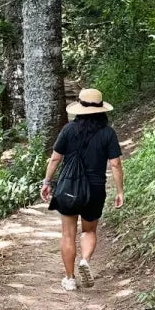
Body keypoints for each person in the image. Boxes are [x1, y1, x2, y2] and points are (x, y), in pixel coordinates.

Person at [40, 88, 124, 292]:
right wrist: (120, 191)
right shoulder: (108, 133)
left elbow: (55, 158)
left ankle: (69, 279)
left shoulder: (69, 130)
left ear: (79, 108)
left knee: (68, 234)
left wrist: (47, 181)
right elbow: (115, 164)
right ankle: (85, 260)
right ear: (102, 109)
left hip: (69, 186)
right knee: (89, 230)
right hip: (94, 189)